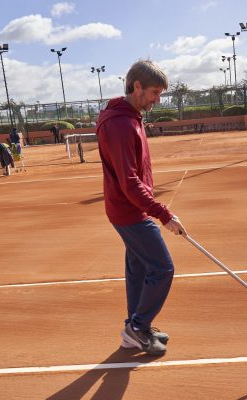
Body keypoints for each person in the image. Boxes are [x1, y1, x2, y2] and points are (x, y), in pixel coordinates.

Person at [96, 60, 186, 356]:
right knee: (162, 268)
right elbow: (129, 181)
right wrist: (163, 214)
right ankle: (138, 327)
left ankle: (136, 327)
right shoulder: (121, 124)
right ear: (136, 86)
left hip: (130, 207)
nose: (157, 99)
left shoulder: (130, 116)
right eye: (153, 93)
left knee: (139, 268)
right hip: (130, 210)